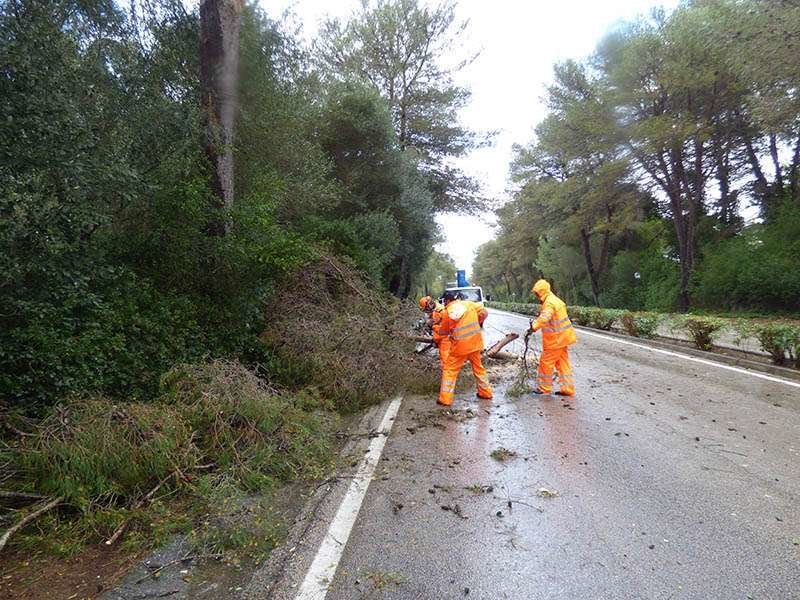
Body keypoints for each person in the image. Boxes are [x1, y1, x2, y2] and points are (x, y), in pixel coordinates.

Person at [436, 290, 492, 406]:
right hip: (475, 343)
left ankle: (445, 399)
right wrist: (477, 321)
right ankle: (486, 393)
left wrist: (435, 327)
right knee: (478, 368)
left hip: (459, 347)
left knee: (450, 370)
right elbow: (484, 312)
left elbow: (443, 332)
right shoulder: (469, 304)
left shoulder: (447, 312)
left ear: (447, 301)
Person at [527, 279, 577, 396]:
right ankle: (567, 389)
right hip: (564, 338)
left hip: (556, 340)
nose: (536, 296)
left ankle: (544, 388)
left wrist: (533, 327)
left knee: (546, 362)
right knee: (562, 363)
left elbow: (544, 318)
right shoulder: (556, 300)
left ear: (541, 292)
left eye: (537, 293)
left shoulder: (549, 303)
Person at [418, 295, 450, 366]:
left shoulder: (439, 312)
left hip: (445, 341)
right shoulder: (437, 310)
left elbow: (442, 330)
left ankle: (448, 376)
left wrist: (435, 339)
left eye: (426, 309)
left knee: (446, 362)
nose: (426, 311)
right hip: (444, 340)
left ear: (429, 305)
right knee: (445, 360)